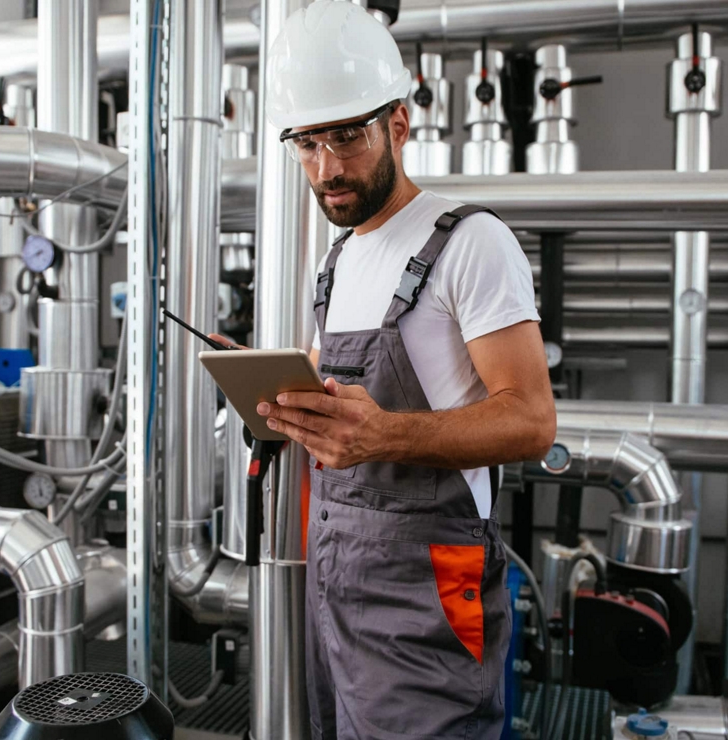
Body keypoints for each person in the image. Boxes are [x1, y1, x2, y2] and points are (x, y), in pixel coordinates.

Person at [227, 2, 555, 737]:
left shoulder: (472, 243)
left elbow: (533, 420)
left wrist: (383, 437)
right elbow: (335, 393)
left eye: (347, 137)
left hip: (434, 577)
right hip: (336, 569)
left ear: (397, 126)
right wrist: (275, 401)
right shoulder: (338, 260)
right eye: (307, 144)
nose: (328, 168)